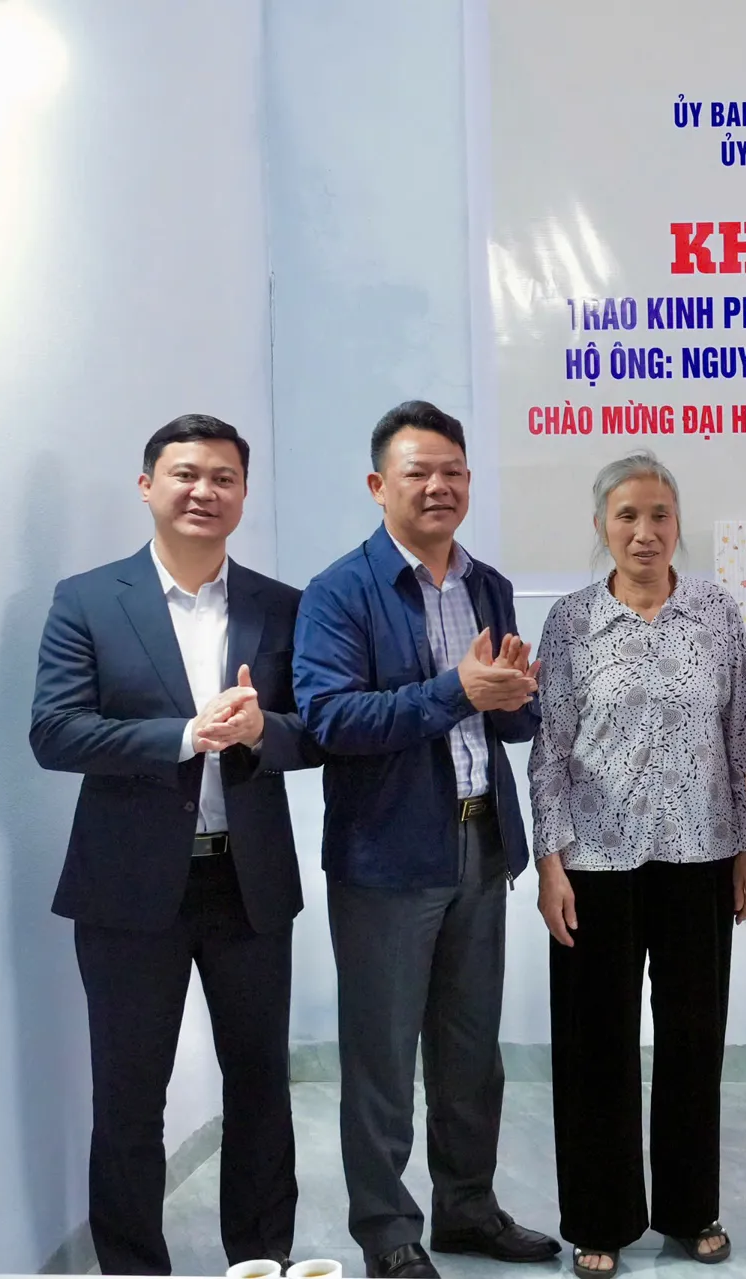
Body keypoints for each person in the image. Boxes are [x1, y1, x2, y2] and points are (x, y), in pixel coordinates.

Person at [30, 414, 316, 1276]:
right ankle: (132, 1266)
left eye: (224, 477)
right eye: (186, 474)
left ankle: (260, 1257)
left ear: (243, 493)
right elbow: (54, 731)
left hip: (248, 881)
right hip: (127, 888)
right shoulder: (88, 598)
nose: (204, 491)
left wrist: (264, 731)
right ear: (147, 484)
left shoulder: (280, 604)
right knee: (128, 1094)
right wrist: (185, 736)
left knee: (260, 1083)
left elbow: (315, 730)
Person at [293, 401, 557, 1279]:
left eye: (453, 471)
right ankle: (386, 1231)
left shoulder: (488, 583)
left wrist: (519, 697)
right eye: (419, 472)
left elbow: (505, 721)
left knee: (471, 1052)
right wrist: (459, 690)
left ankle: (467, 1208)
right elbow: (331, 718)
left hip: (482, 842)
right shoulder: (341, 590)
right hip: (387, 857)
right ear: (380, 485)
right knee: (381, 1056)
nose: (439, 485)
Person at [529, 452, 746, 1275]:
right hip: (595, 861)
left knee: (694, 1037)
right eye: (627, 515)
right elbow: (549, 752)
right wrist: (551, 862)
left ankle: (691, 1208)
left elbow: (744, 739)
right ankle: (600, 1217)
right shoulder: (570, 621)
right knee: (595, 1043)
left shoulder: (716, 611)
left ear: (677, 523)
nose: (644, 531)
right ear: (603, 525)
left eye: (659, 514)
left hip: (700, 853)